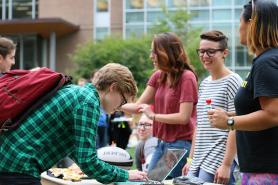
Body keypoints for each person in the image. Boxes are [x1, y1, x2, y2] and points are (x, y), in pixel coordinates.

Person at [0, 63, 148, 185]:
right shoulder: (88, 102)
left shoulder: (78, 92)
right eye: (122, 101)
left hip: (10, 161)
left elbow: (77, 151)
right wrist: (125, 175)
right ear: (113, 88)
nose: (119, 107)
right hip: (19, 167)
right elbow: (88, 160)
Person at [208, 1, 278, 184]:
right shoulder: (265, 60)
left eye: (240, 21)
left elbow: (273, 115)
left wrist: (229, 122)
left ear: (252, 24)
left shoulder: (267, 62)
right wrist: (232, 114)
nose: (238, 28)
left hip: (266, 171)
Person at [122, 32, 198, 178]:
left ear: (167, 53)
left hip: (180, 144)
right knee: (152, 180)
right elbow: (138, 106)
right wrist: (112, 104)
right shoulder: (158, 76)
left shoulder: (187, 78)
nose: (151, 56)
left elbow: (184, 117)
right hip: (161, 143)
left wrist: (154, 116)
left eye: (155, 52)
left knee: (154, 181)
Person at [182, 30, 242, 185]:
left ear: (224, 53)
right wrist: (191, 159)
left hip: (218, 160)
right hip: (198, 161)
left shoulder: (233, 81)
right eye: (201, 51)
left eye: (210, 51)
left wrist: (226, 165)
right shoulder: (205, 83)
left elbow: (236, 125)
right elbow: (199, 126)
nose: (204, 56)